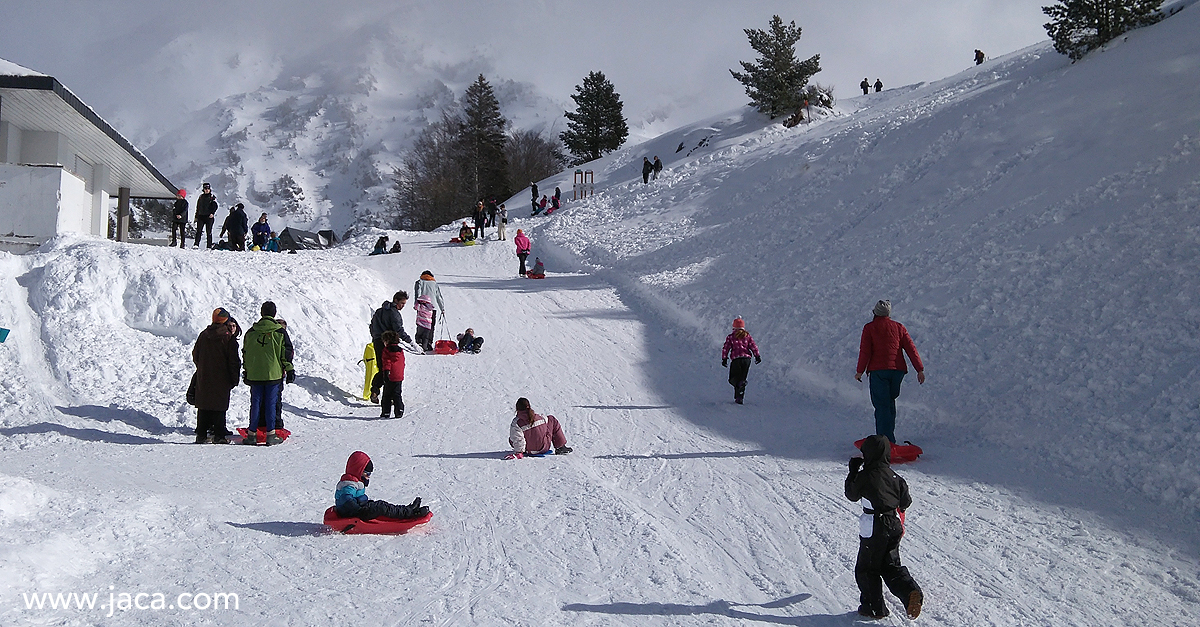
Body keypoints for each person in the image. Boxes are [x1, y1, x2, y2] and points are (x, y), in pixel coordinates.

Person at [845, 435, 923, 620]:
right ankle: (911, 591)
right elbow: (905, 501)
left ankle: (873, 608)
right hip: (893, 524)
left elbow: (851, 494)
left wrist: (853, 472)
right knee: (890, 566)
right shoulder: (896, 477)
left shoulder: (866, 476)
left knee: (867, 568)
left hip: (875, 525)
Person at [855, 300, 924, 444]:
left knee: (882, 406)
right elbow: (911, 349)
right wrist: (919, 369)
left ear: (875, 312)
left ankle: (884, 442)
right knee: (890, 404)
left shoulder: (869, 328)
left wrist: (860, 371)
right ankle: (889, 438)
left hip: (878, 371)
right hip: (897, 372)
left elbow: (865, 352)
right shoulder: (899, 327)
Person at [241, 301, 293, 445]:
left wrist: (247, 370)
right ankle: (271, 434)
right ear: (274, 314)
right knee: (271, 403)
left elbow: (246, 353)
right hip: (273, 374)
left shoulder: (251, 332)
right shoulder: (279, 332)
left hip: (255, 374)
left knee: (255, 403)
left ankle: (251, 434)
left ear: (261, 313)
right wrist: (289, 369)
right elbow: (286, 353)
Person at [192, 307, 240, 443]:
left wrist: (202, 368)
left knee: (204, 404)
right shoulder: (227, 337)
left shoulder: (203, 334)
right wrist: (234, 377)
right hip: (222, 377)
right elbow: (233, 361)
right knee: (219, 405)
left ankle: (201, 434)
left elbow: (195, 355)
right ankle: (219, 435)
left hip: (204, 375)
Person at [334, 451, 428, 520]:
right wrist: (360, 510)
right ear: (358, 471)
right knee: (381, 507)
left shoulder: (354, 482)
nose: (368, 477)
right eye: (367, 474)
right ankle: (410, 513)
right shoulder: (349, 485)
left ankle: (407, 510)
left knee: (381, 504)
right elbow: (347, 500)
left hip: (358, 509)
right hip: (352, 513)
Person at [368, 291, 412, 403]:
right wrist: (410, 342)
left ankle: (375, 390)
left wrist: (376, 337)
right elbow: (399, 329)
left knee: (382, 368)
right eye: (402, 303)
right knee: (390, 370)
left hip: (378, 341)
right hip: (389, 344)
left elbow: (372, 326)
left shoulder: (379, 311)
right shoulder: (394, 313)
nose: (402, 306)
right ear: (395, 300)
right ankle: (390, 396)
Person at [506, 397, 572, 459]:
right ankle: (560, 447)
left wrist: (519, 452)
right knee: (551, 419)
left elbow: (518, 439)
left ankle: (522, 449)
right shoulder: (538, 417)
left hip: (529, 450)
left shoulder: (516, 422)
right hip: (544, 447)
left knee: (512, 438)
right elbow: (547, 421)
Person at [261, 317, 295, 432]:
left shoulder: (280, 338)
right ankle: (272, 423)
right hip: (274, 374)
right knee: (272, 400)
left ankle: (275, 422)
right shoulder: (276, 337)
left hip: (276, 374)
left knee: (275, 401)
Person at [721, 317, 762, 404]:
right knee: (742, 380)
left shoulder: (731, 337)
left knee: (733, 378)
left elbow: (726, 348)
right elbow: (753, 346)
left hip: (736, 360)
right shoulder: (747, 336)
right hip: (747, 360)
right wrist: (757, 356)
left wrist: (724, 358)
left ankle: (738, 392)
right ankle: (739, 398)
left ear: (734, 327)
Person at [378, 330, 405, 418]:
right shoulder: (400, 351)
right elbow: (402, 362)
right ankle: (399, 410)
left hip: (390, 376)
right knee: (397, 394)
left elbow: (387, 362)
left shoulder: (386, 350)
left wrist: (386, 372)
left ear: (387, 341)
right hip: (399, 376)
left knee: (387, 395)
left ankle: (386, 412)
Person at [413, 270, 445, 342]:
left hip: (422, 307)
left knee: (421, 324)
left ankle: (420, 341)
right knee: (431, 326)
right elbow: (439, 297)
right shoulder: (434, 284)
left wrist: (416, 304)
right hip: (432, 308)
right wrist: (442, 308)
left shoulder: (419, 282)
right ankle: (429, 342)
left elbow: (418, 293)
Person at [193, 183, 217, 249]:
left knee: (208, 231)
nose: (207, 190)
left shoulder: (212, 197)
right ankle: (196, 244)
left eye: (208, 189)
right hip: (201, 216)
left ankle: (209, 246)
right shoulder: (201, 197)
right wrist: (196, 216)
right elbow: (198, 207)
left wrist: (212, 213)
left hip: (209, 217)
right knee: (199, 231)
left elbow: (215, 206)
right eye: (205, 189)